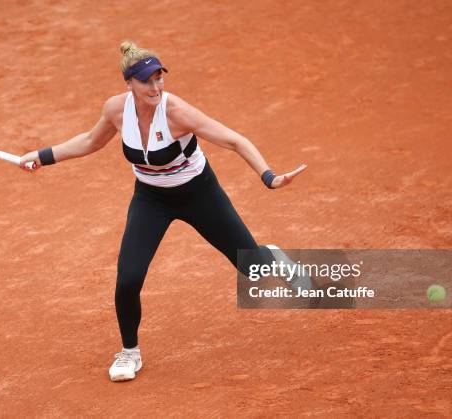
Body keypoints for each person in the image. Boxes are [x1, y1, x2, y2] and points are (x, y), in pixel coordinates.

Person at [19, 41, 307, 382]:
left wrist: (269, 176)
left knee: (252, 267)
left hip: (199, 194)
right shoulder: (116, 109)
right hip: (150, 200)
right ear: (129, 83)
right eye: (146, 81)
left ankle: (271, 256)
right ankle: (129, 353)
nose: (155, 87)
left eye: (159, 78)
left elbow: (234, 140)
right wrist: (42, 155)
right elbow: (89, 141)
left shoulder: (176, 111)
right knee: (127, 279)